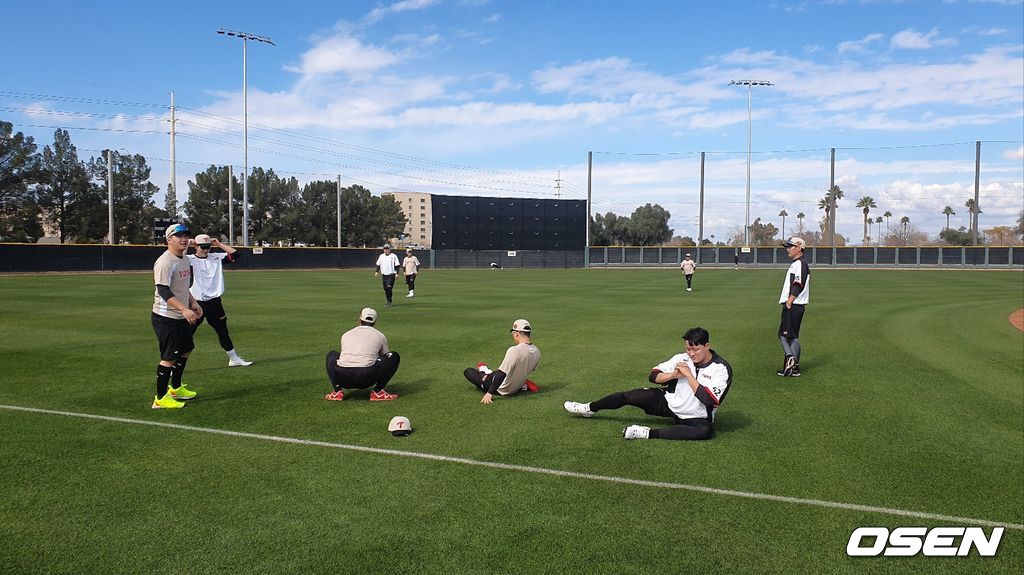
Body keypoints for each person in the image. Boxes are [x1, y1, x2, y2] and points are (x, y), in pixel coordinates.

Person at [563, 327, 732, 440]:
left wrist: (688, 376)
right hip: (669, 402)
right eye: (688, 349)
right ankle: (589, 408)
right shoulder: (681, 358)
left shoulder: (721, 368)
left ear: (707, 346)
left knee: (705, 431)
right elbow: (653, 376)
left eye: (695, 350)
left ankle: (645, 433)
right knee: (629, 395)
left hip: (696, 416)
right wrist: (673, 374)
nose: (691, 353)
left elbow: (709, 400)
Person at [150, 223, 203, 409]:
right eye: (178, 236)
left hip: (180, 315)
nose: (184, 239)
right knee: (169, 357)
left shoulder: (185, 259)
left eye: (186, 235)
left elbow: (183, 288)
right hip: (166, 317)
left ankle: (176, 387)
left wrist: (193, 302)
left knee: (186, 349)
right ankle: (160, 398)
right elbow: (163, 291)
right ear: (168, 239)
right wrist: (184, 309)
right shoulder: (165, 262)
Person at [186, 233, 252, 367]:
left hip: (215, 303)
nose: (205, 250)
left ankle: (233, 359)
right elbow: (174, 257)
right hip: (196, 303)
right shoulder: (188, 259)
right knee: (186, 334)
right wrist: (188, 244)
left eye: (207, 247)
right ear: (195, 247)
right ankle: (174, 363)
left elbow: (235, 254)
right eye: (202, 247)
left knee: (223, 331)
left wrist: (219, 244)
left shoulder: (216, 257)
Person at [324, 307, 400, 401]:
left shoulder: (346, 334)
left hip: (342, 376)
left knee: (332, 355)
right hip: (366, 378)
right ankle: (378, 392)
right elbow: (385, 356)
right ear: (375, 322)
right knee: (394, 356)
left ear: (359, 319)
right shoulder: (380, 335)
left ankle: (337, 391)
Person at [463, 319, 541, 404]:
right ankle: (523, 383)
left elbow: (501, 374)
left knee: (469, 372)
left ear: (517, 334)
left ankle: (483, 368)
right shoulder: (537, 352)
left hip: (501, 388)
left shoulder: (514, 351)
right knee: (494, 373)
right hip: (516, 386)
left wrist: (489, 393)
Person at [777, 237, 810, 377]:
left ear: (798, 247)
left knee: (784, 335)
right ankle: (793, 368)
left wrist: (790, 301)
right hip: (796, 305)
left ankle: (791, 358)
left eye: (790, 246)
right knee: (792, 336)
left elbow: (798, 283)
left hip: (793, 305)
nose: (788, 249)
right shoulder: (798, 264)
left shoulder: (799, 264)